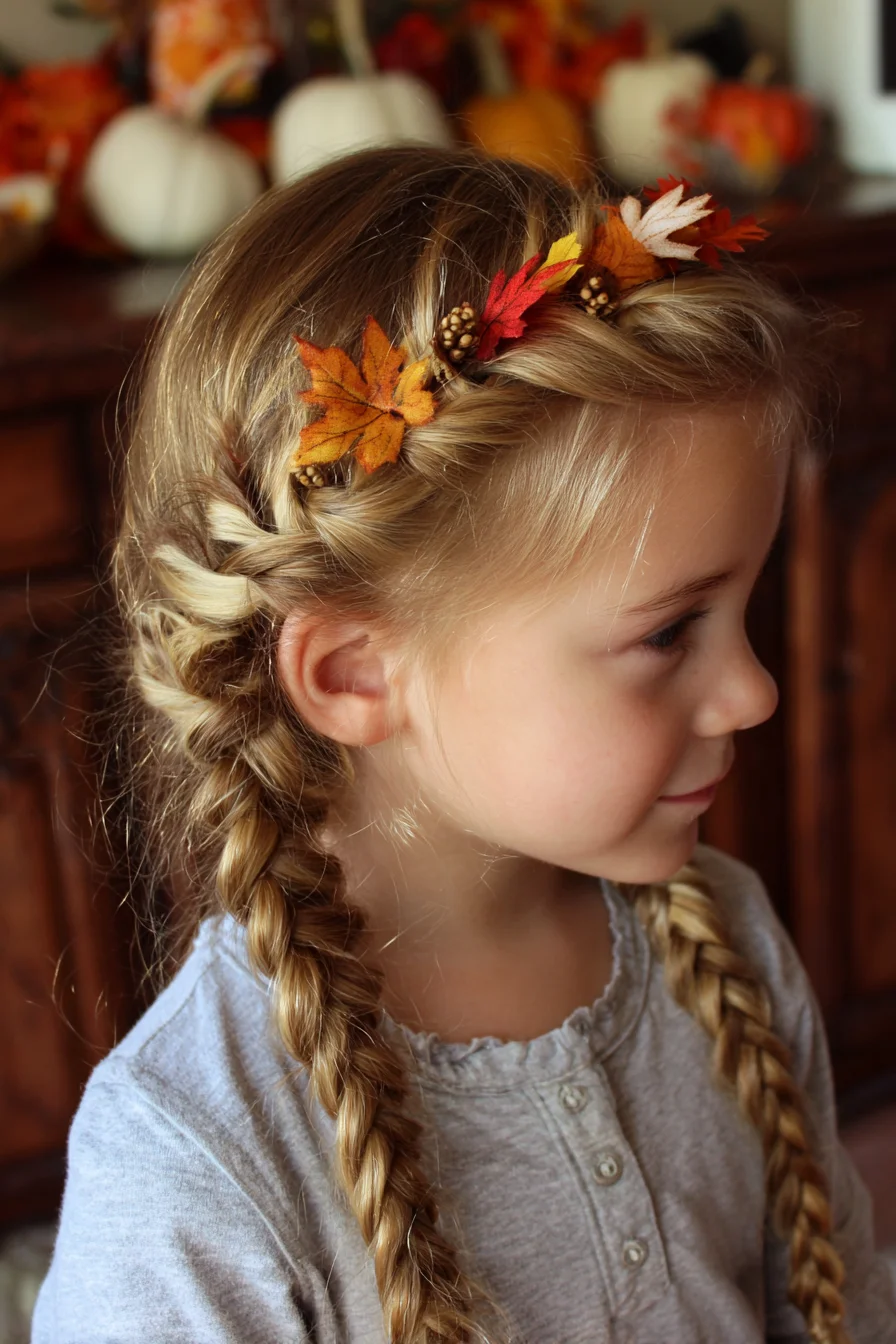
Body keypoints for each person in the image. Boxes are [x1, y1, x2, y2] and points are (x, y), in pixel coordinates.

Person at [32, 147, 896, 1344]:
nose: (750, 691)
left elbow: (834, 1298)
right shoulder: (190, 1162)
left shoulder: (727, 941)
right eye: (667, 634)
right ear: (354, 675)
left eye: (739, 613)